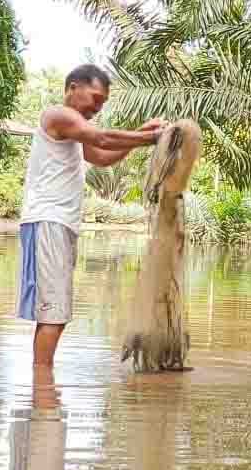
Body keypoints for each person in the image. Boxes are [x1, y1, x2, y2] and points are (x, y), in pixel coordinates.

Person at [16, 63, 163, 367]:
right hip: (49, 222)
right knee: (54, 314)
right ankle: (42, 390)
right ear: (73, 88)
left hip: (58, 224)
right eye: (96, 98)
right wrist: (150, 138)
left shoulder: (74, 129)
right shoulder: (60, 115)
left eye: (103, 103)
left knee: (54, 312)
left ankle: (42, 386)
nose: (98, 107)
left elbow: (101, 156)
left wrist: (140, 136)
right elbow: (102, 139)